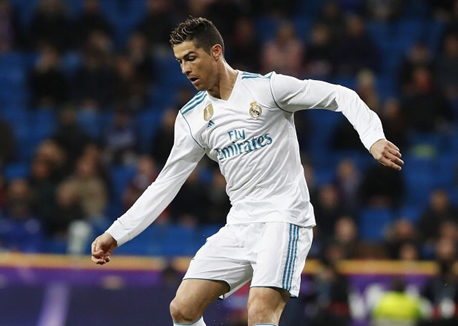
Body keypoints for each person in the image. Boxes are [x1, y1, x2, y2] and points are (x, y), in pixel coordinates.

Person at [91, 17, 404, 326]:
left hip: (284, 218)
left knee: (260, 314)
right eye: (179, 62)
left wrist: (373, 138)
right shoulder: (191, 118)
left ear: (215, 51)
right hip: (240, 224)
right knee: (182, 310)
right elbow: (165, 185)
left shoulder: (267, 89)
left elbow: (340, 95)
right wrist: (116, 233)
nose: (185, 69)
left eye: (191, 58)